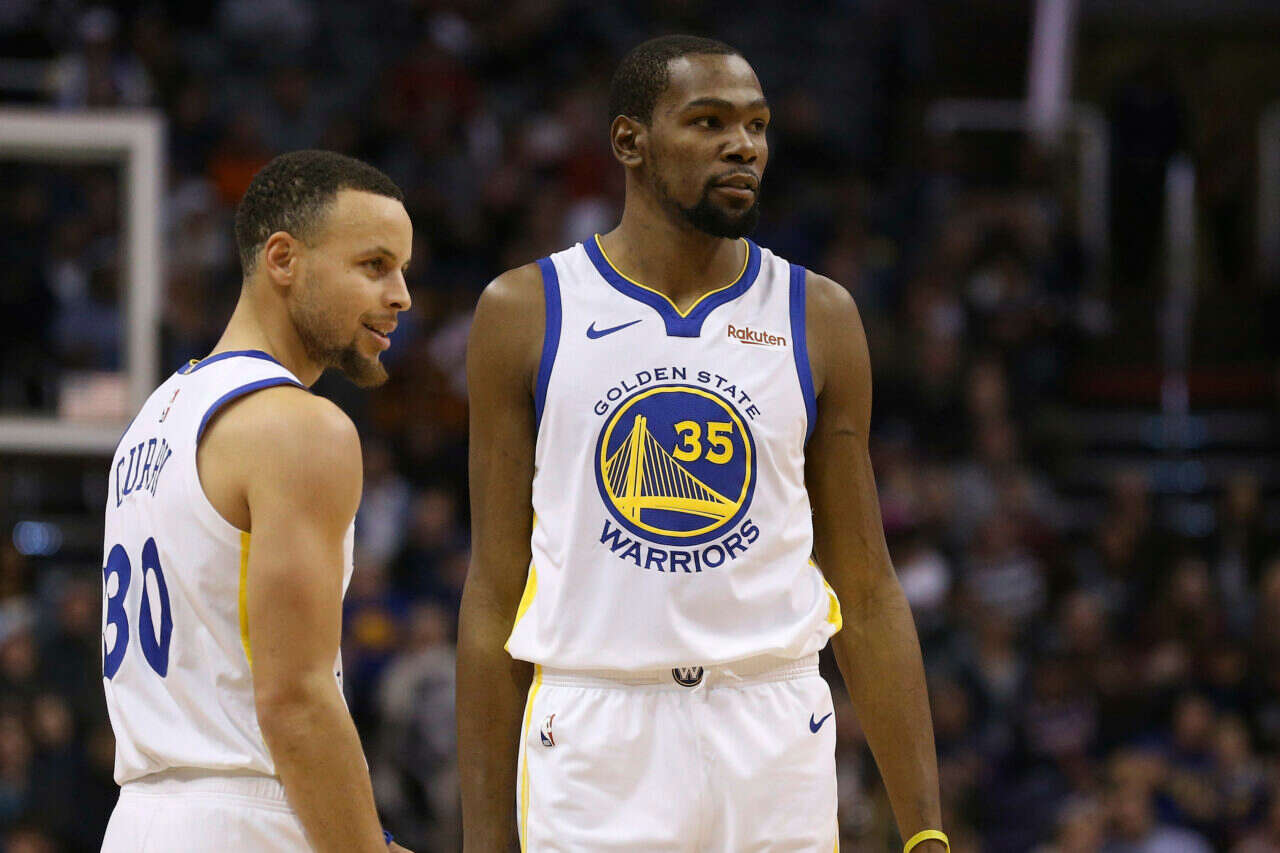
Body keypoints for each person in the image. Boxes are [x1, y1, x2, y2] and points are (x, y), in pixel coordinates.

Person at [460, 35, 946, 852]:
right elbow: (492, 593)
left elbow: (866, 592)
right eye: (709, 122)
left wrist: (926, 830)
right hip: (594, 730)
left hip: (773, 723)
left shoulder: (820, 314)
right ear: (630, 142)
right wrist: (483, 837)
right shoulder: (525, 310)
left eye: (757, 125)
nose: (743, 145)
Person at [99, 150, 414, 852]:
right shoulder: (301, 427)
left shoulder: (155, 417)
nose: (401, 295)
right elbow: (295, 702)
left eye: (402, 269)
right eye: (374, 265)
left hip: (141, 819)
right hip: (243, 818)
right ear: (282, 259)